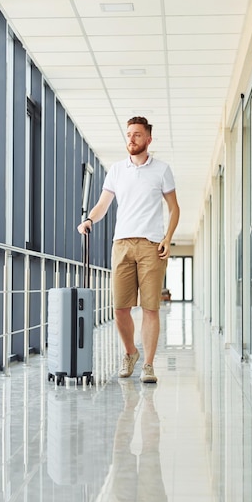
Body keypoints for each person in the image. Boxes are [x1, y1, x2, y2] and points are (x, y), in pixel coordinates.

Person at [77, 116, 180, 383]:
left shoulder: (162, 169)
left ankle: (147, 365)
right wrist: (89, 219)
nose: (131, 139)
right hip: (121, 244)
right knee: (120, 309)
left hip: (150, 244)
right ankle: (130, 353)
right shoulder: (116, 170)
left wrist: (167, 239)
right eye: (129, 134)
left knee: (150, 308)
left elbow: (174, 208)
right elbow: (103, 204)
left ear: (148, 139)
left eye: (137, 134)